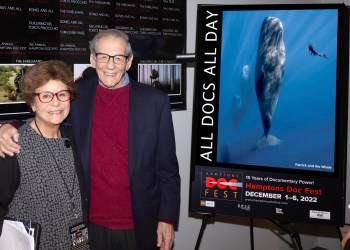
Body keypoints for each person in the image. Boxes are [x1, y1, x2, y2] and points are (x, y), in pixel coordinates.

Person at [0, 29, 181, 250]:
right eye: (103, 56)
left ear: (129, 61)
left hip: (140, 223)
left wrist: (167, 218)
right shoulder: (77, 95)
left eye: (118, 58)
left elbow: (168, 169)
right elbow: (46, 110)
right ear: (92, 59)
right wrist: (7, 127)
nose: (110, 65)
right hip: (88, 224)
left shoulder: (156, 102)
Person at [0, 60, 89, 249]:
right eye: (46, 96)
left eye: (62, 94)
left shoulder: (76, 138)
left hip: (78, 243)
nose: (56, 103)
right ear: (32, 103)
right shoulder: (13, 146)